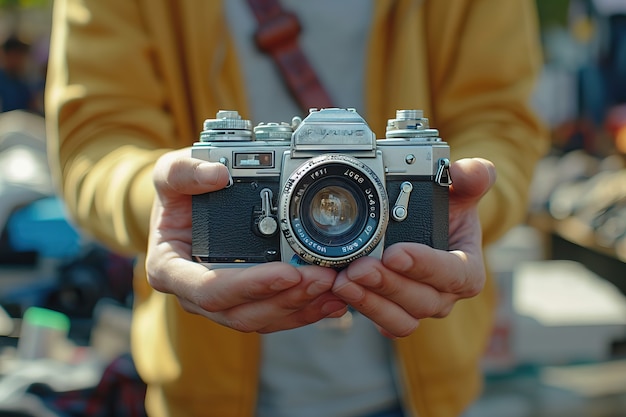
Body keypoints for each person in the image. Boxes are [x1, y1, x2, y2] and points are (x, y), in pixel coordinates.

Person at [45, 1, 549, 416]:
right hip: (206, 388)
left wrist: (466, 201)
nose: (327, 204)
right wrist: (172, 202)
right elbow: (94, 141)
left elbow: (501, 119)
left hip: (423, 387)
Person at [0, 35, 35, 113]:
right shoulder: (2, 82)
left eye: (21, 55)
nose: (19, 60)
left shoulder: (24, 84)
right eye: (15, 54)